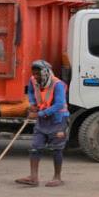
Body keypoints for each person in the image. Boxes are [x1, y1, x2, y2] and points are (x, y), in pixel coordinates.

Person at [15, 60, 69, 188]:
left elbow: (59, 104)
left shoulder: (57, 84)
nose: (36, 77)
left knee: (57, 149)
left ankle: (57, 177)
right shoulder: (33, 80)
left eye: (38, 74)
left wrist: (39, 114)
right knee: (35, 147)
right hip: (43, 119)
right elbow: (31, 93)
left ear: (45, 73)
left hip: (58, 120)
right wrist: (33, 105)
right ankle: (33, 178)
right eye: (34, 74)